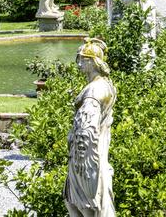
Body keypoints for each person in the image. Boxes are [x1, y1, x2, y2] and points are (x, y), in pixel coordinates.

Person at [64, 38, 117, 217]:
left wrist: (80, 159)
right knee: (76, 204)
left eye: (83, 60)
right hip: (92, 151)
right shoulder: (102, 85)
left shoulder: (95, 90)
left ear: (93, 62)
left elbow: (86, 128)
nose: (79, 64)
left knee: (83, 204)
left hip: (86, 156)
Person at [119, 0, 157, 70]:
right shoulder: (128, 12)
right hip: (132, 45)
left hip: (145, 43)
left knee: (143, 65)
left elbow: (152, 29)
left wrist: (152, 47)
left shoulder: (148, 7)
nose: (122, 1)